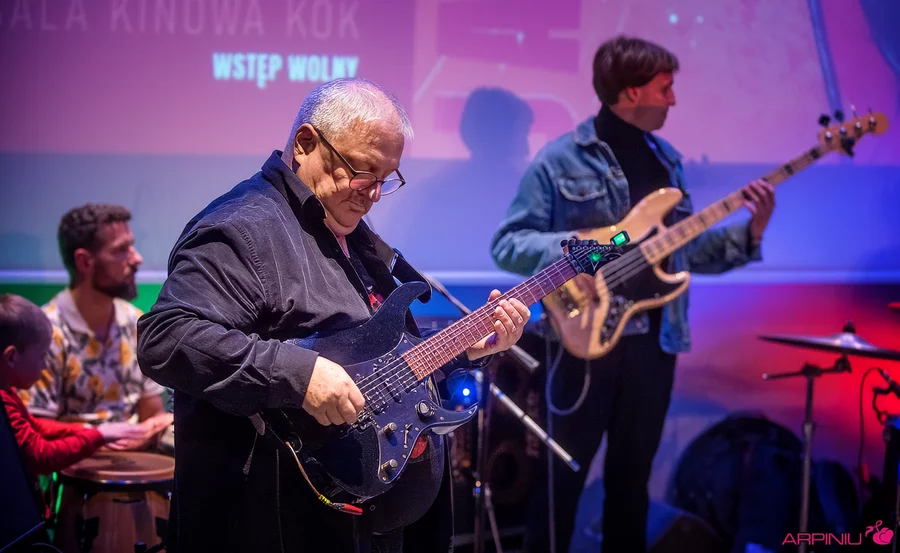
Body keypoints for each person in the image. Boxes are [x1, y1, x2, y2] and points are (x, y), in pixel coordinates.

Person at [136, 77, 531, 553]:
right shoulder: (241, 227)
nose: (374, 193)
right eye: (363, 172)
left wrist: (465, 350)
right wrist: (301, 375)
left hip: (365, 523)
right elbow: (166, 337)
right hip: (277, 526)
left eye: (387, 178)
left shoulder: (348, 228)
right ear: (306, 144)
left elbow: (375, 362)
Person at [490, 36, 776, 553]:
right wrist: (577, 248)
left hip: (654, 343)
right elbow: (508, 244)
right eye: (665, 88)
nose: (673, 100)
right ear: (630, 93)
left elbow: (684, 251)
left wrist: (750, 233)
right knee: (559, 485)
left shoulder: (668, 163)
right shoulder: (559, 160)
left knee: (631, 487)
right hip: (581, 342)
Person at [22, 204, 171, 451]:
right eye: (121, 250)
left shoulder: (134, 322)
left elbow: (151, 413)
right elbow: (35, 432)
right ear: (84, 261)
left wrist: (159, 424)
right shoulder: (46, 333)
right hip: (73, 469)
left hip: (134, 464)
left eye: (132, 247)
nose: (137, 259)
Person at [0, 294, 144, 482]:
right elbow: (41, 456)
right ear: (11, 357)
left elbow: (35, 426)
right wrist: (97, 436)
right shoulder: (4, 402)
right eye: (41, 356)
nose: (44, 366)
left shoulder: (7, 391)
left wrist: (91, 431)